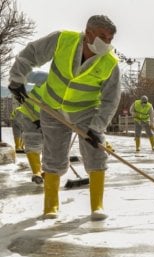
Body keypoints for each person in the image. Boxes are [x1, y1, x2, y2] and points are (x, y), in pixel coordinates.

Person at [9, 15, 121, 220]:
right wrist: (17, 77)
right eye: (103, 36)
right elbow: (32, 53)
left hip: (86, 112)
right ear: (88, 33)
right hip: (52, 108)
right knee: (53, 156)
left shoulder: (110, 63)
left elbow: (110, 100)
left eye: (110, 39)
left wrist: (97, 127)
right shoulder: (63, 40)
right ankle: (50, 206)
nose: (107, 43)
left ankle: (97, 206)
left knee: (96, 152)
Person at [13, 101, 44, 184]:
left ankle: (37, 172)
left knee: (32, 151)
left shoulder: (20, 110)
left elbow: (17, 129)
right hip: (47, 127)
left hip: (30, 131)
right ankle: (48, 171)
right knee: (49, 150)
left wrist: (18, 145)